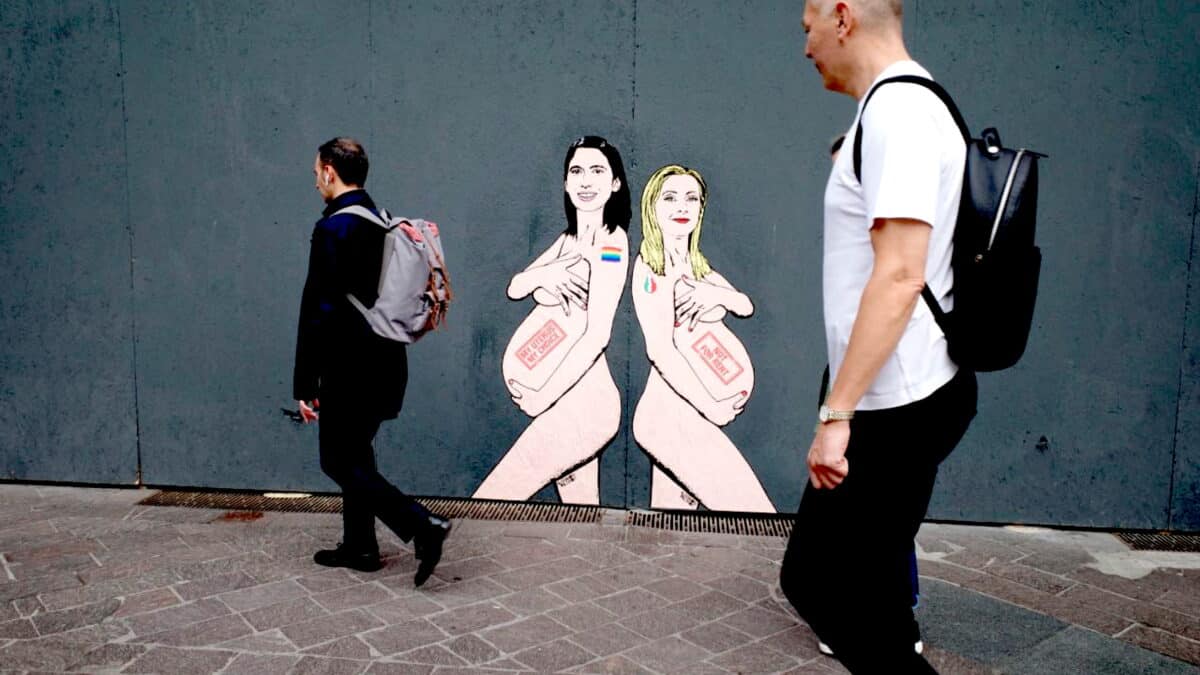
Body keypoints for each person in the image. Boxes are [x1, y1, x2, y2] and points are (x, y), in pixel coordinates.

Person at [780, 2, 977, 673]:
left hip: (893, 403)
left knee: (821, 582)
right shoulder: (898, 108)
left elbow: (898, 277)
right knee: (870, 588)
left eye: (807, 25)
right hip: (894, 389)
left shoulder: (899, 114)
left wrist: (839, 415)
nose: (804, 46)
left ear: (842, 16)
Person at [293, 137, 451, 587]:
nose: (316, 180)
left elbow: (318, 309)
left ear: (329, 171)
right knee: (356, 453)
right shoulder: (382, 222)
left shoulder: (334, 229)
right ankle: (360, 546)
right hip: (386, 359)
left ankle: (423, 527)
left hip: (349, 365)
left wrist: (306, 382)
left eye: (316, 171)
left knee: (337, 461)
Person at [472, 136, 630, 504]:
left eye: (597, 171)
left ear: (615, 183)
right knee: (581, 514)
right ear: (565, 182)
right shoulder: (567, 242)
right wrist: (550, 274)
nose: (586, 181)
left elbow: (597, 335)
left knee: (493, 497)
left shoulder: (611, 245)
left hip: (585, 403)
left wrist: (544, 395)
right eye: (576, 171)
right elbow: (516, 286)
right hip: (570, 399)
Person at [630, 164, 774, 512]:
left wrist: (716, 296)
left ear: (701, 208)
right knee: (753, 509)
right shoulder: (652, 271)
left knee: (669, 525)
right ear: (652, 208)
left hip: (686, 412)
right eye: (670, 198)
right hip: (669, 416)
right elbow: (660, 351)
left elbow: (744, 305)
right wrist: (711, 405)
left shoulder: (697, 266)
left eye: (691, 198)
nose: (682, 207)